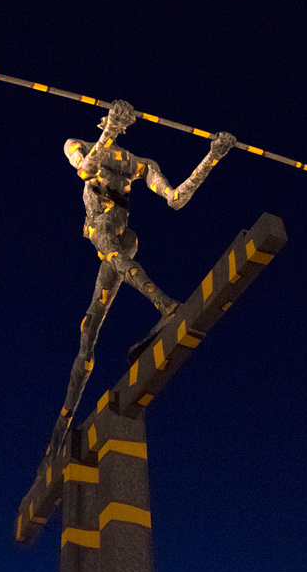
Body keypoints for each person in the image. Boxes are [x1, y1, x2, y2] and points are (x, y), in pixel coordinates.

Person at [45, 100, 236, 457]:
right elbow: (85, 170)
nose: (113, 127)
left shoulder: (140, 164)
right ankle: (58, 435)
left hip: (121, 242)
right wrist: (108, 134)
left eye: (118, 125)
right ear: (104, 122)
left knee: (97, 311)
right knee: (88, 337)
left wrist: (213, 157)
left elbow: (175, 198)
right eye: (109, 123)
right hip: (100, 230)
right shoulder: (80, 145)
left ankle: (163, 311)